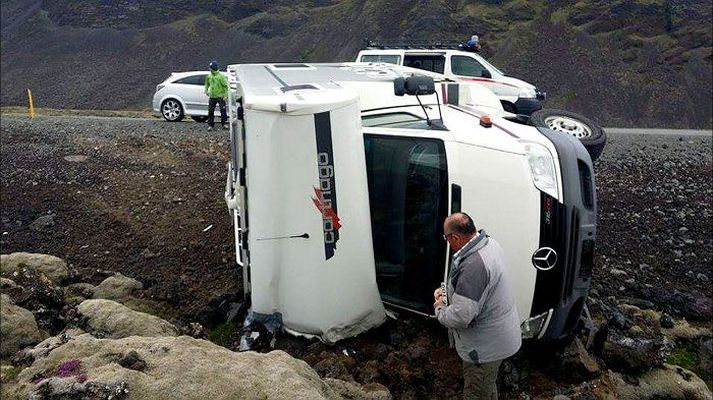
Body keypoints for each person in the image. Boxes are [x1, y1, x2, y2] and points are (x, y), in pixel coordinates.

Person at [434, 212, 521, 400]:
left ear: (455, 237)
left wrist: (440, 307)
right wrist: (452, 295)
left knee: (476, 391)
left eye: (446, 238)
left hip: (484, 349)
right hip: (498, 337)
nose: (447, 242)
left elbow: (461, 316)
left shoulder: (474, 267)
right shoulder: (488, 243)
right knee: (487, 387)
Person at [204, 60, 229, 131]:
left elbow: (226, 86)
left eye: (210, 68)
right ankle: (210, 125)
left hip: (221, 97)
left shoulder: (221, 77)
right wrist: (206, 90)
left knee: (223, 110)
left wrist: (225, 95)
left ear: (213, 68)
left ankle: (224, 124)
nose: (209, 69)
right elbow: (206, 84)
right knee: (210, 111)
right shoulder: (209, 76)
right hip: (212, 97)